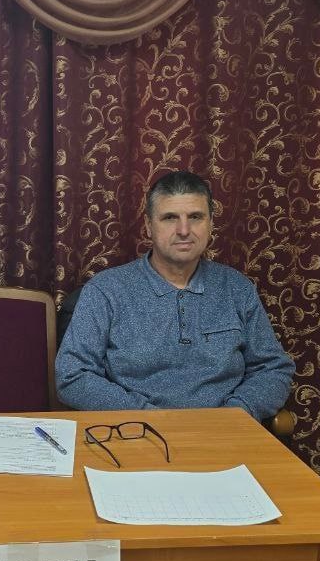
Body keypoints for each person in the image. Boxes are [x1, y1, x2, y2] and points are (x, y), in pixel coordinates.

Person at [55, 171, 293, 420]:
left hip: (225, 431)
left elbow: (274, 368)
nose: (184, 230)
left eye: (195, 217)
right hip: (137, 431)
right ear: (149, 225)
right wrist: (150, 416)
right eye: (170, 218)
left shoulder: (237, 288)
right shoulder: (105, 291)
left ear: (211, 223)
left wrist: (234, 414)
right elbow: (72, 375)